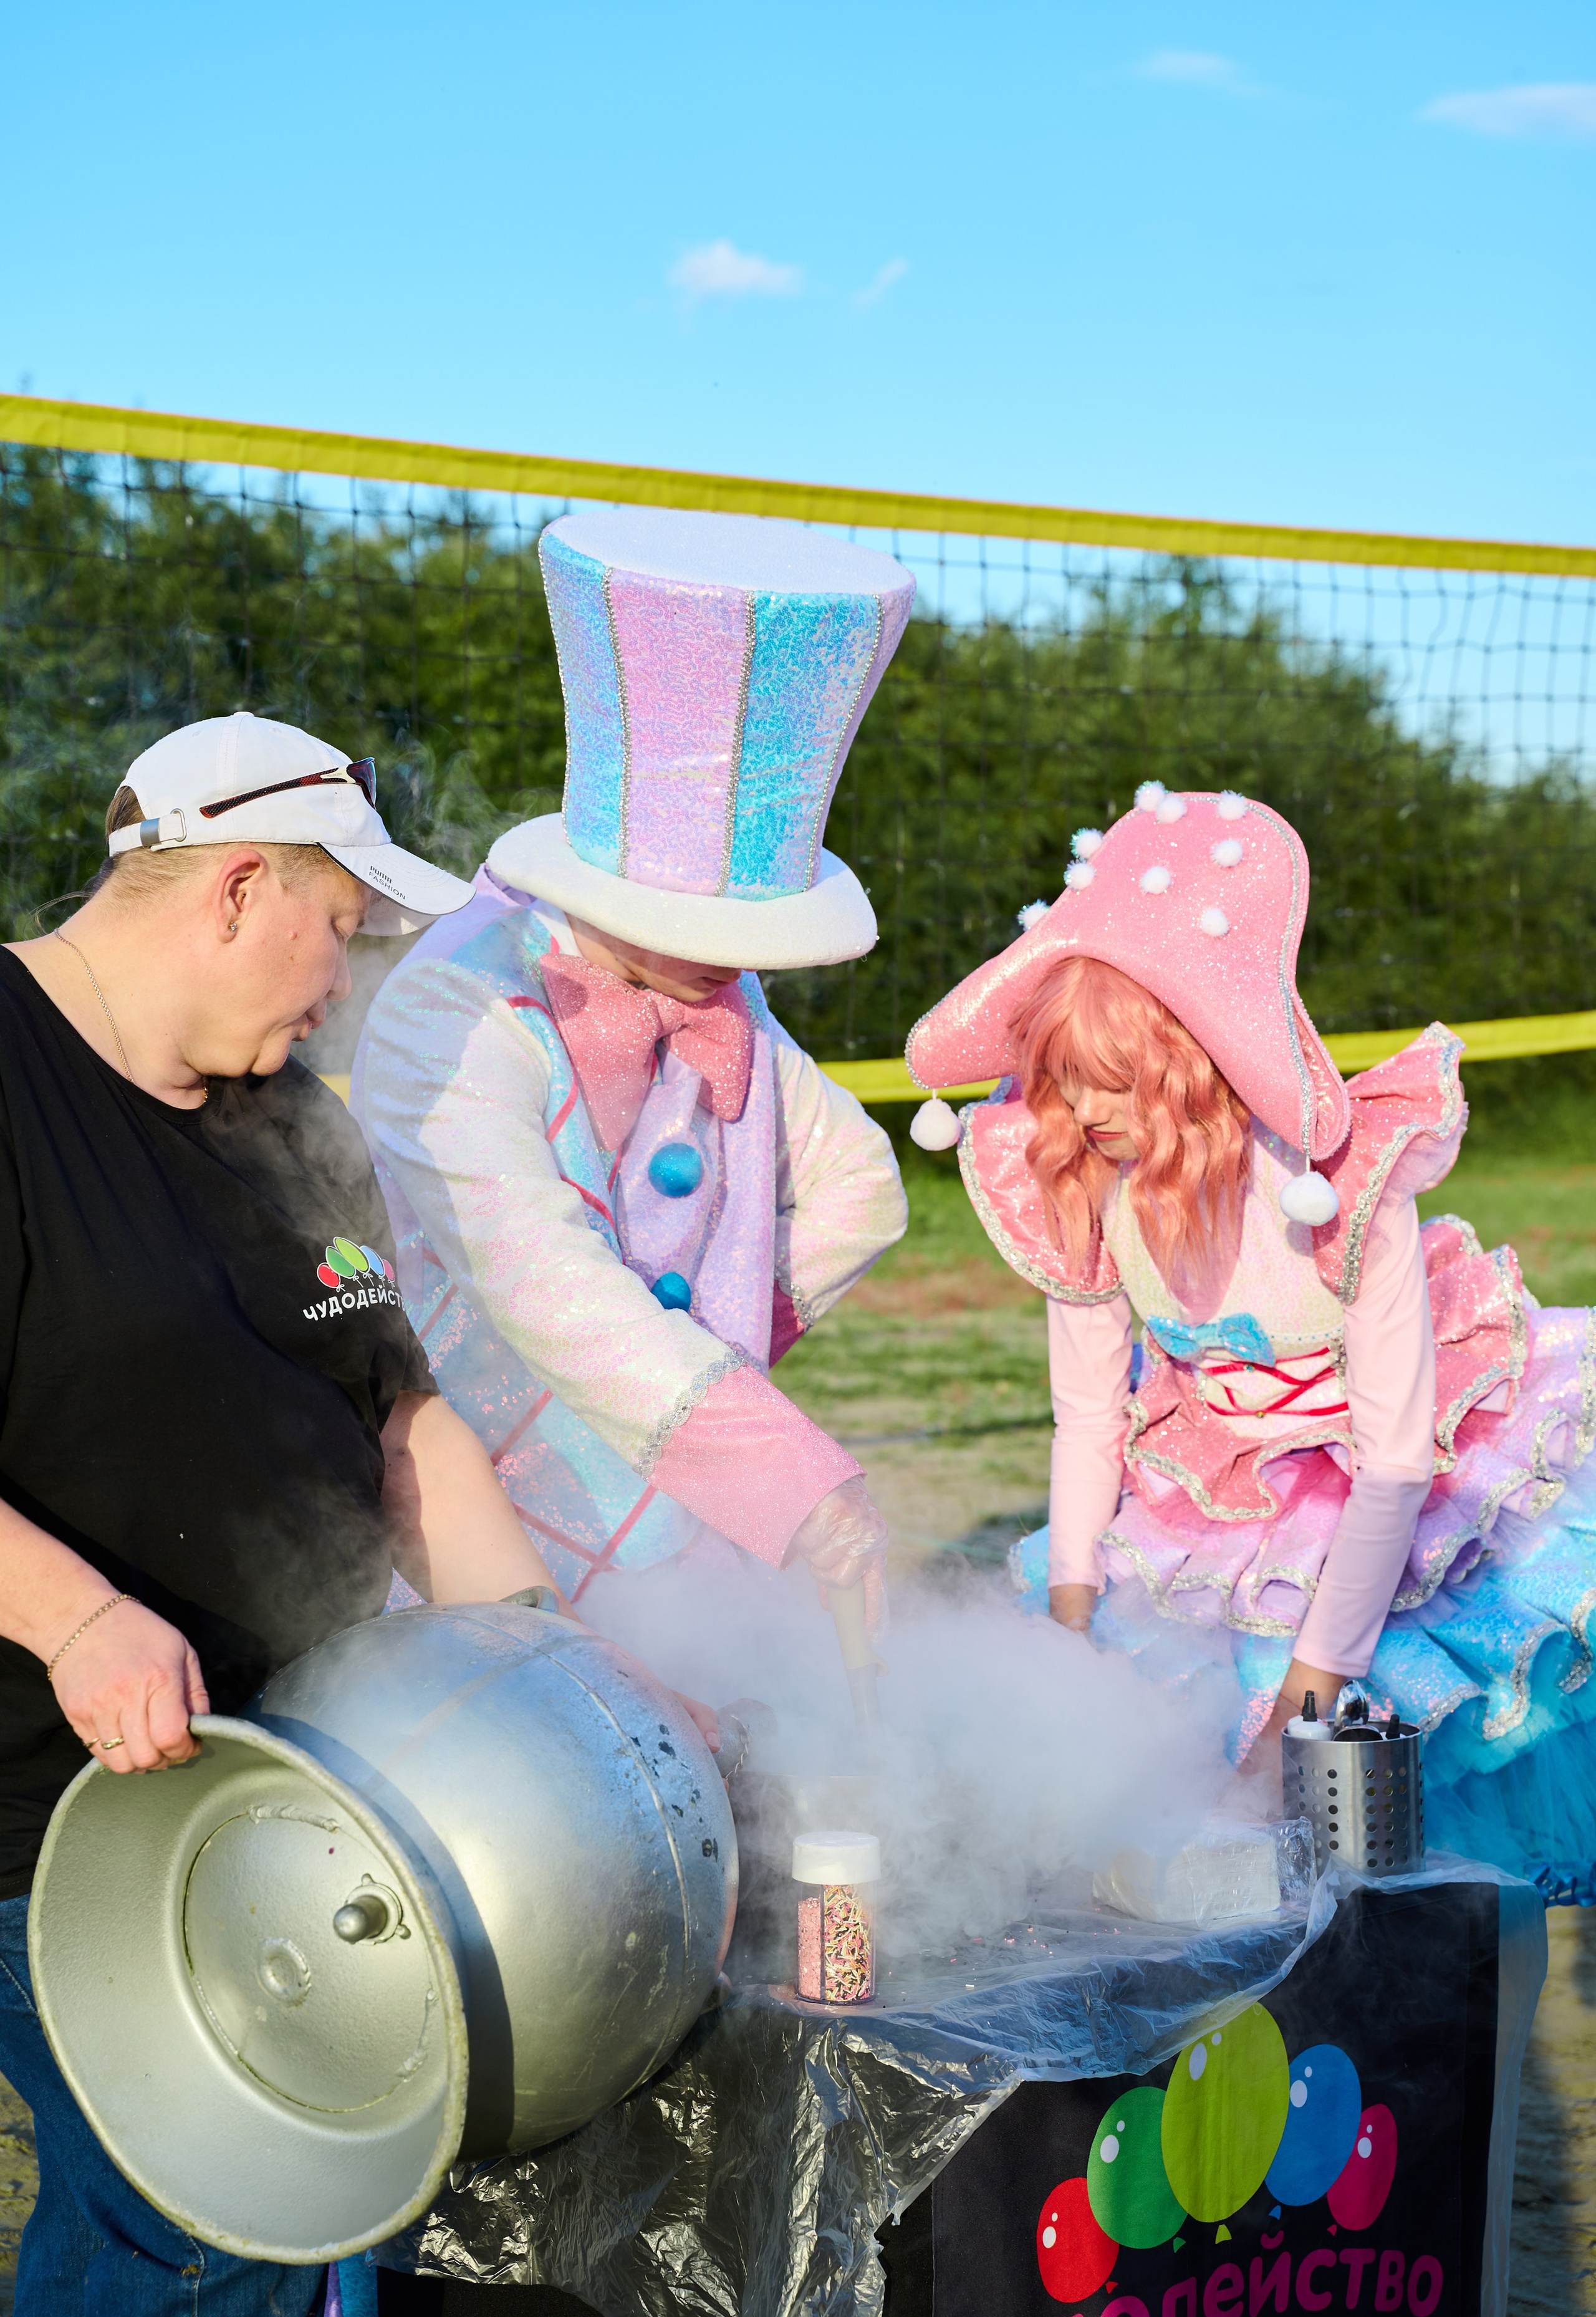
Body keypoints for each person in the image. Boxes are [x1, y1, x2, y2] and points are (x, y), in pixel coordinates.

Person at [0, 711, 579, 2317]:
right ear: (241, 887)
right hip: (59, 1806)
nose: (350, 981)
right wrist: (79, 1615)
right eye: (347, 929)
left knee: (272, 2216)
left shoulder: (290, 1122)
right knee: (209, 2221)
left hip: (283, 1789)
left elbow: (407, 1429)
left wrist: (559, 1676)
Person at [906, 782, 1596, 1888]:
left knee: (1384, 1815)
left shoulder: (1344, 1193)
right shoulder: (1086, 1191)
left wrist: (1301, 1705)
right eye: (1063, 1083)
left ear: (1191, 1064)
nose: (1082, 1115)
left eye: (1113, 1082)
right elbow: (1086, 1418)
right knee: (1186, 1818)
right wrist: (1069, 1620)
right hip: (1224, 1500)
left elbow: (1396, 1465)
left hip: (1392, 1510)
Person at [353, 506, 911, 1634]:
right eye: (713, 931)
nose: (746, 966)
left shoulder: (718, 980)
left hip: (678, 1523)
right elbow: (537, 1281)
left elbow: (862, 1184)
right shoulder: (450, 1003)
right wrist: (766, 1455)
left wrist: (717, 1353)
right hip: (484, 1514)